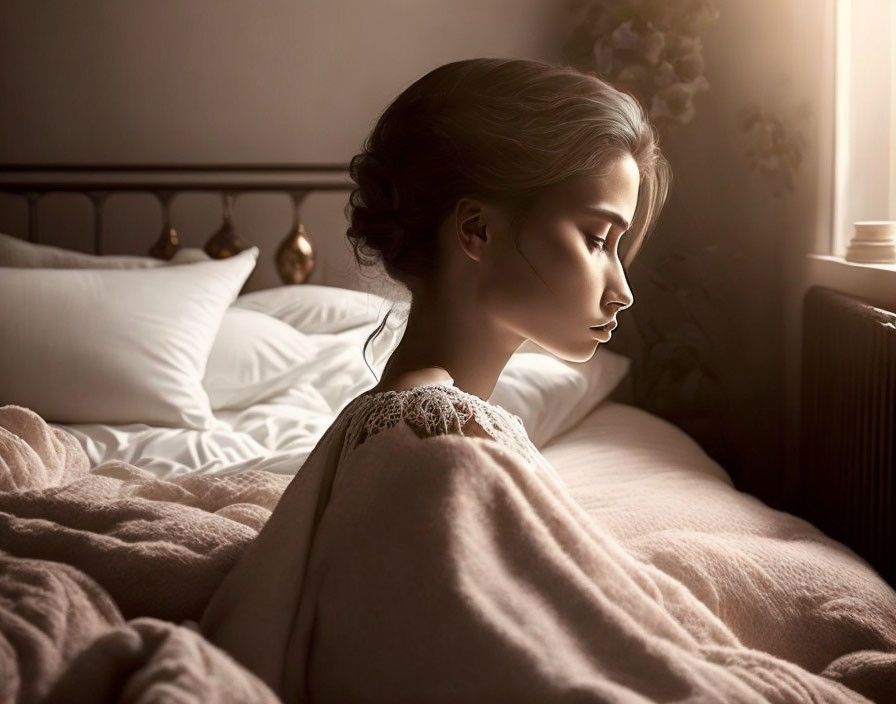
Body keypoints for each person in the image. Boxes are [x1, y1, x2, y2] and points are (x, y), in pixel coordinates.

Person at [200, 58, 852, 703]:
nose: (622, 290)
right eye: (598, 238)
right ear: (477, 230)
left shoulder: (402, 419)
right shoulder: (435, 436)